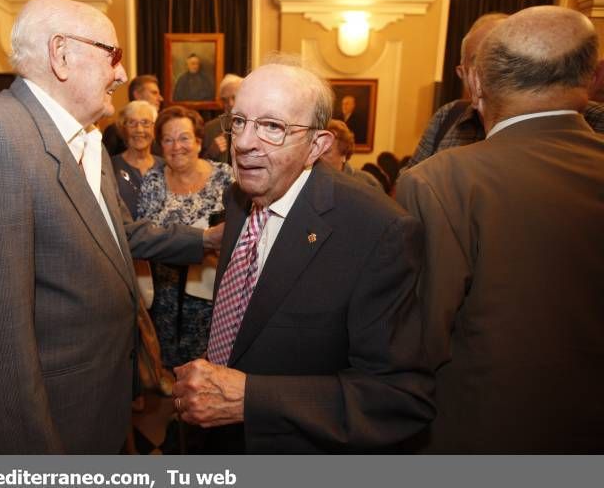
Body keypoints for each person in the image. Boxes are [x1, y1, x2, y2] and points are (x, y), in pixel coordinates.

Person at [0, 0, 210, 454]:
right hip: (49, 426)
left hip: (99, 409)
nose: (121, 74)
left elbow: (111, 238)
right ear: (61, 54)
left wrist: (205, 239)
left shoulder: (86, 140)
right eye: (112, 54)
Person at [172, 59, 434, 454]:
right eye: (239, 121)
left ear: (318, 145)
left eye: (272, 127)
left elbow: (399, 397)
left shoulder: (378, 231)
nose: (243, 142)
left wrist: (250, 399)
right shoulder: (241, 195)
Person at [396, 5, 604, 453]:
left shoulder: (440, 183)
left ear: (475, 84)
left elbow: (418, 341)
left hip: (475, 435)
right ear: (592, 78)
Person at [405, 12, 604, 172]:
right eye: (480, 61)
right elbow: (406, 191)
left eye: (507, 60)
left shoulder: (595, 120)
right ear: (466, 75)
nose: (496, 72)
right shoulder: (447, 116)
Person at [138, 106, 234, 368]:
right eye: (168, 139)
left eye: (184, 137)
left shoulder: (224, 177)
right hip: (165, 293)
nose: (176, 146)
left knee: (209, 366)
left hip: (212, 291)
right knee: (169, 363)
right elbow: (145, 236)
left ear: (199, 141)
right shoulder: (153, 180)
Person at [111, 100, 163, 219]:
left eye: (145, 123)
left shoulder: (166, 167)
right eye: (132, 123)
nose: (139, 129)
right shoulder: (110, 167)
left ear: (154, 129)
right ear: (123, 129)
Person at [103, 74, 163, 156]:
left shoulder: (160, 128)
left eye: (145, 123)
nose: (160, 98)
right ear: (137, 95)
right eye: (154, 93)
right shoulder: (114, 131)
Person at [320, 119, 383, 191]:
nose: (318, 157)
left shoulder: (367, 183)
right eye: (316, 151)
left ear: (344, 154)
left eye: (325, 152)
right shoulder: (311, 181)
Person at [201, 74, 242, 163]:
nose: (230, 104)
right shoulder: (210, 129)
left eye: (234, 97)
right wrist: (210, 153)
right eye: (225, 100)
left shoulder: (261, 126)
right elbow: (197, 167)